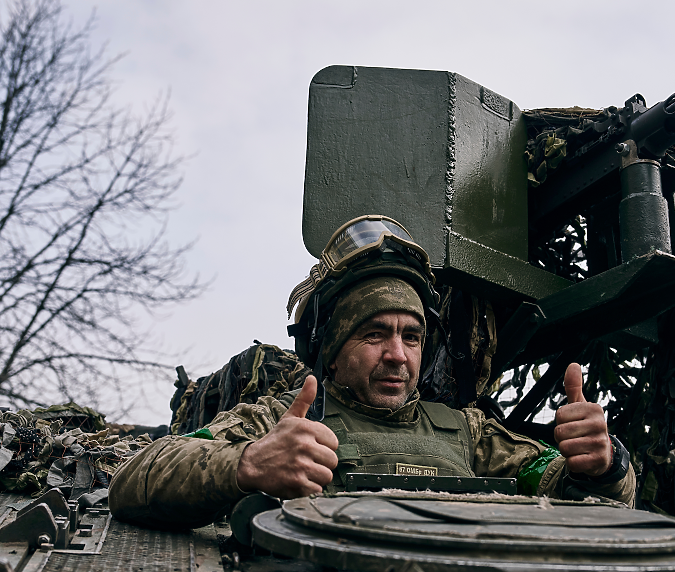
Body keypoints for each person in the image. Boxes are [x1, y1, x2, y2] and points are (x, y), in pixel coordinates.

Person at [109, 216, 635, 529]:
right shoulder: (282, 422)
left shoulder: (467, 432)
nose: (397, 355)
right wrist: (247, 465)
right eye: (373, 334)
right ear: (332, 352)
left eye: (411, 337)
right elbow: (138, 478)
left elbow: (581, 493)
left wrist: (603, 464)